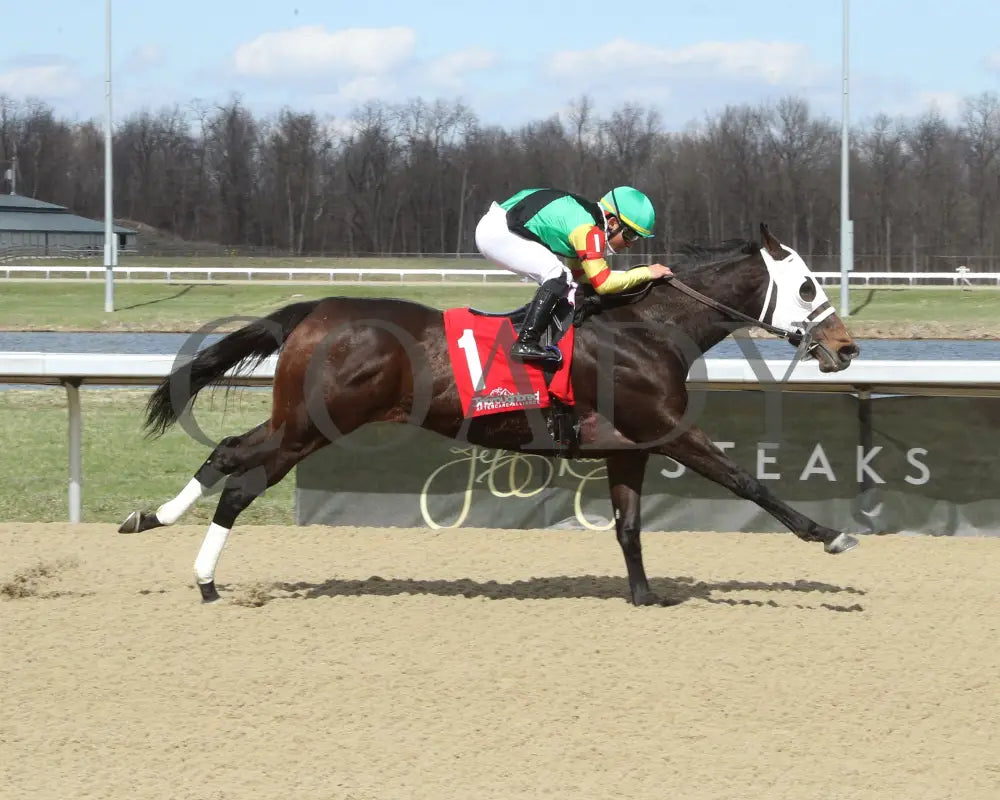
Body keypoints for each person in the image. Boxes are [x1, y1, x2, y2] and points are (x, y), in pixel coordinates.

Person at [474, 185, 673, 364]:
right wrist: (646, 272)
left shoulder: (586, 219)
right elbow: (603, 283)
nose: (629, 244)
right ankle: (526, 341)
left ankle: (527, 325)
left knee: (563, 279)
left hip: (500, 225)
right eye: (630, 235)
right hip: (499, 232)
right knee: (557, 274)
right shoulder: (588, 230)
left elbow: (580, 276)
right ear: (612, 222)